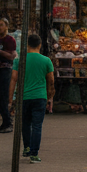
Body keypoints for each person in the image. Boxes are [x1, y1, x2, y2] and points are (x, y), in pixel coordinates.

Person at [13, 34, 55, 164]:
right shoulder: (46, 60)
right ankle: (34, 154)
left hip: (23, 97)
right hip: (40, 97)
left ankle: (26, 147)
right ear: (40, 45)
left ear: (26, 45)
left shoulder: (19, 61)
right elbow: (51, 81)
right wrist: (50, 97)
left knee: (25, 123)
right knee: (37, 126)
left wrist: (11, 99)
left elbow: (13, 79)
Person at [0, 18, 17, 134]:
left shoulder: (10, 40)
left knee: (3, 95)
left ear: (6, 26)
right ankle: (5, 122)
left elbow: (11, 56)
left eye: (2, 25)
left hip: (5, 69)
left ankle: (8, 122)